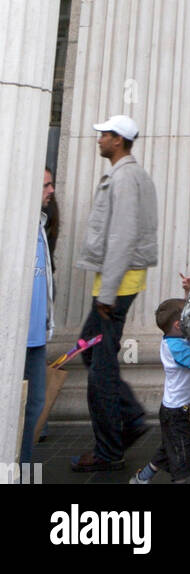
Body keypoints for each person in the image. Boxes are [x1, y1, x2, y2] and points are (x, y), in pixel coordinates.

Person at [71, 114, 159, 472]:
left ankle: (109, 449)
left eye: (104, 135)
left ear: (119, 140)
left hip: (116, 286)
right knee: (88, 350)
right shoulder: (130, 175)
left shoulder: (123, 178)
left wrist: (106, 294)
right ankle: (130, 418)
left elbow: (122, 236)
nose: (99, 139)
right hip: (119, 282)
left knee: (100, 370)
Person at [130, 295, 190, 484]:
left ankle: (142, 478)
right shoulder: (175, 346)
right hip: (175, 411)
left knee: (170, 446)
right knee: (183, 454)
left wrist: (188, 291)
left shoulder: (174, 337)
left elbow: (188, 312)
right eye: (189, 318)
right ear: (178, 325)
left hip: (176, 408)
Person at [20, 168, 56, 465]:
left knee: (34, 406)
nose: (51, 190)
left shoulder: (41, 226)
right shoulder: (15, 227)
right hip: (14, 337)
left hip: (35, 337)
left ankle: (22, 468)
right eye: (46, 185)